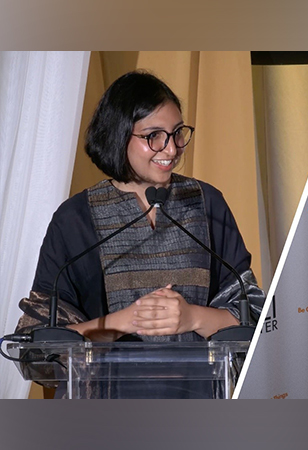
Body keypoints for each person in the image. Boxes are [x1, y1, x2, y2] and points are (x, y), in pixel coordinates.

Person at [15, 70, 265, 396]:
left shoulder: (207, 203)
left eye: (178, 133)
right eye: (154, 136)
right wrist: (125, 322)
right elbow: (36, 350)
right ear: (119, 136)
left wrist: (191, 317)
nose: (172, 149)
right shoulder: (74, 219)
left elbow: (254, 319)